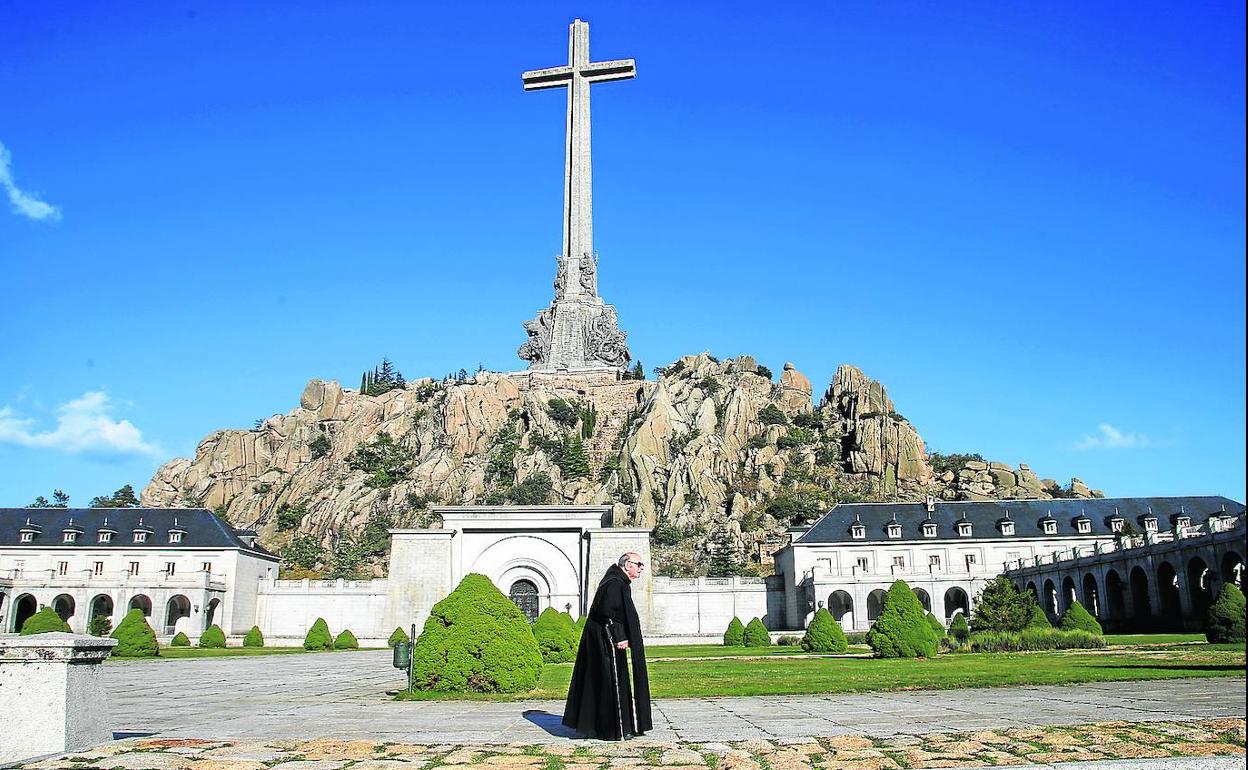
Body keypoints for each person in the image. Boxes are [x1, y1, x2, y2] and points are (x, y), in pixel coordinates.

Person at [562, 552, 652, 740]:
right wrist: (619, 636)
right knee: (614, 680)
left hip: (603, 638)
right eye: (639, 564)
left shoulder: (617, 581)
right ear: (627, 565)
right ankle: (615, 729)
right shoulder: (615, 583)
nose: (641, 568)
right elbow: (607, 612)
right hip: (607, 639)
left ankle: (609, 726)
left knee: (608, 680)